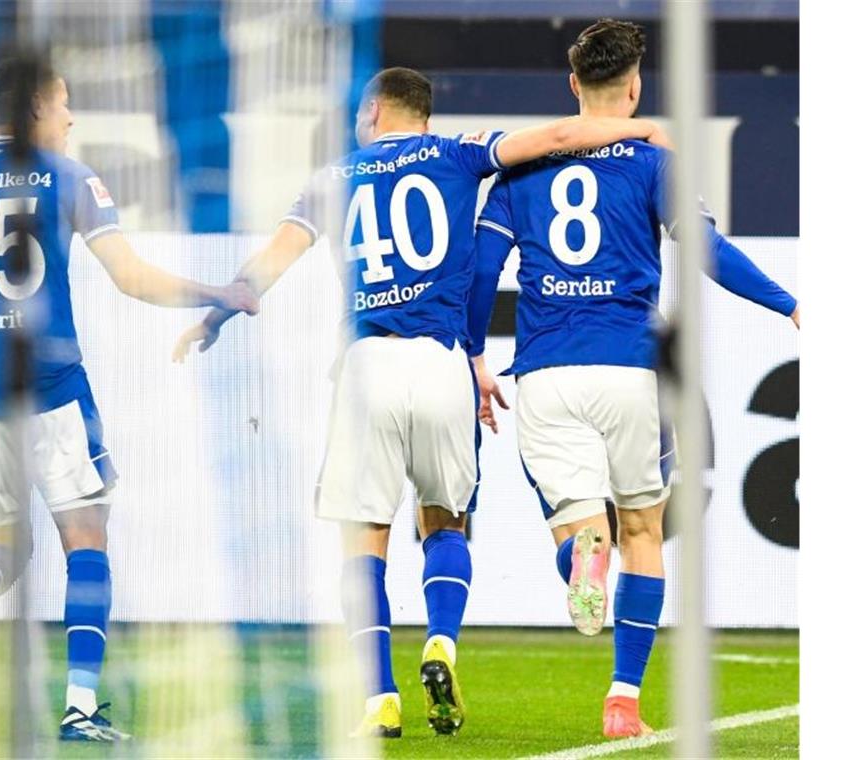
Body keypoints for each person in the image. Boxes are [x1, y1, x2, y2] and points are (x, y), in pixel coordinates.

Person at [173, 66, 670, 738]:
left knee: (364, 539)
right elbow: (556, 135)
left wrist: (217, 314)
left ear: (375, 110)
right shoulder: (459, 151)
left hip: (367, 364)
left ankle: (379, 695)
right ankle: (441, 643)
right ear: (424, 116)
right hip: (441, 365)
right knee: (446, 523)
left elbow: (270, 264)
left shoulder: (333, 176)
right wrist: (637, 126)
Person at [0, 55, 258, 742]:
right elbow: (130, 277)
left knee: (5, 548)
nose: (73, 119)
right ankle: (79, 706)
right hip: (51, 386)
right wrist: (217, 293)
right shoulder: (68, 177)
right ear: (39, 107)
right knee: (86, 540)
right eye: (66, 104)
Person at [468, 19, 799, 739]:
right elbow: (707, 250)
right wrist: (793, 304)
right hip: (630, 372)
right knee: (643, 529)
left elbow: (482, 270)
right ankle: (623, 701)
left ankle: (581, 561)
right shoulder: (655, 163)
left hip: (549, 374)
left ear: (572, 84)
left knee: (583, 533)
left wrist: (472, 355)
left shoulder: (520, 169)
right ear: (636, 88)